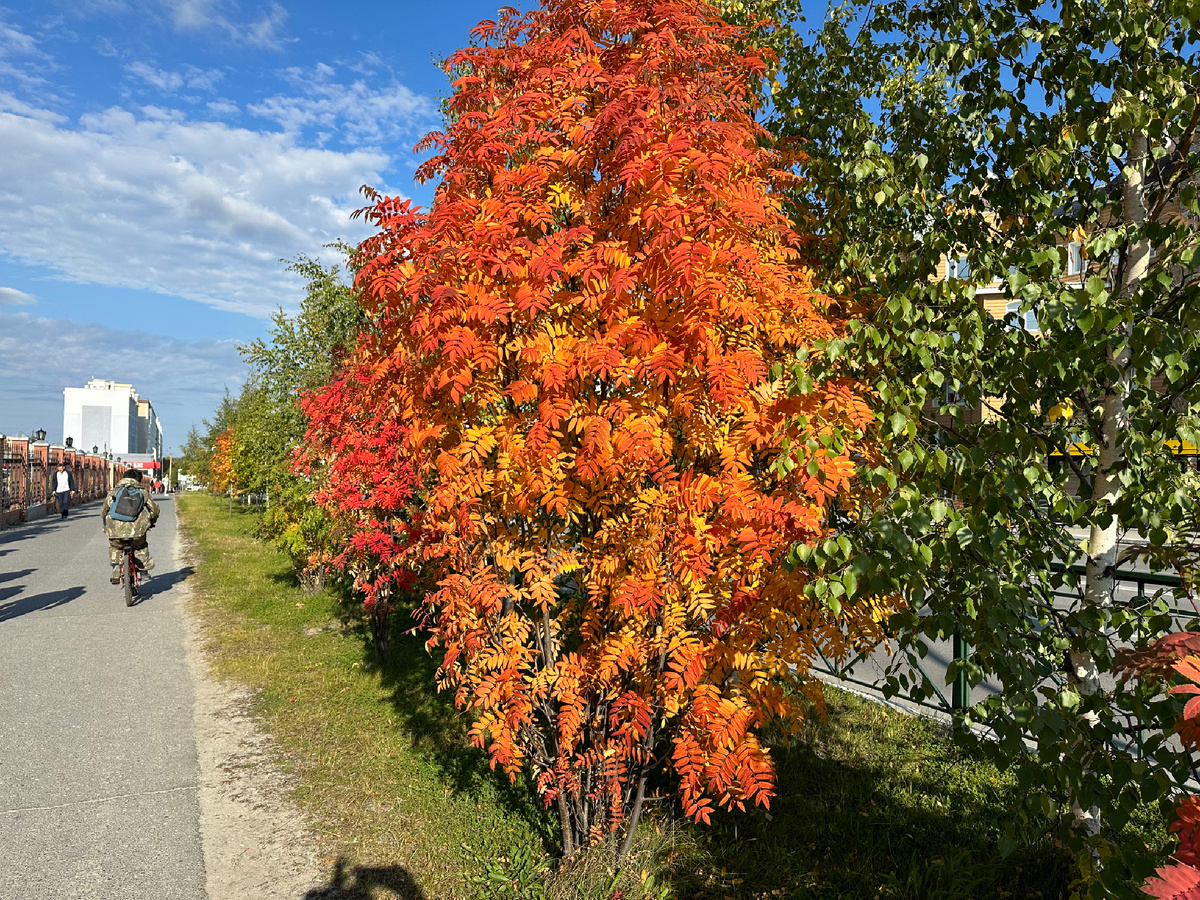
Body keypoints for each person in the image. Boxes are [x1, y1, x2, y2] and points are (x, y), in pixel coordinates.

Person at [102, 468, 160, 584]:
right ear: (139, 480)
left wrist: (106, 524)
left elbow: (105, 510)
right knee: (140, 546)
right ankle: (143, 571)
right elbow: (154, 510)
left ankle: (116, 567)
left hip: (115, 531)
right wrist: (151, 521)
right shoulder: (143, 492)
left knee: (116, 547)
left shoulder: (114, 492)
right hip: (136, 532)